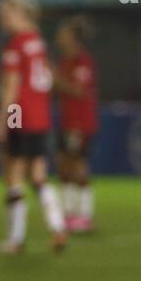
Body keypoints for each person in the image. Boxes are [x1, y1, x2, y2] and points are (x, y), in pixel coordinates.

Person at [0, 0, 67, 255]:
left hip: (20, 115)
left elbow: (11, 87)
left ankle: (15, 240)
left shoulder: (15, 46)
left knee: (13, 176)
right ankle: (57, 227)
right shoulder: (38, 43)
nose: (3, 19)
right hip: (41, 116)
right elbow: (48, 79)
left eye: (7, 14)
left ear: (21, 15)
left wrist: (5, 121)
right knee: (37, 175)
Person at [53, 16, 98, 233]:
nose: (59, 36)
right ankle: (69, 212)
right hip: (67, 120)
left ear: (73, 38)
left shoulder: (82, 61)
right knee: (63, 164)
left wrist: (55, 78)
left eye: (64, 32)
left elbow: (78, 90)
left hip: (80, 122)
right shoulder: (65, 61)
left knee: (78, 164)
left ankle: (85, 215)